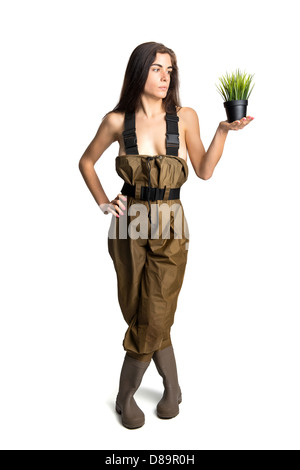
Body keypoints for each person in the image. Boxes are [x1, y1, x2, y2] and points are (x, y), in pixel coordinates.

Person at [78, 41, 254, 429]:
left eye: (169, 70)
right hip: (128, 224)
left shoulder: (185, 116)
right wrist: (105, 202)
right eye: (157, 68)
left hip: (170, 223)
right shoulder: (115, 121)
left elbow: (205, 169)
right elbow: (86, 162)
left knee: (156, 311)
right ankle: (172, 389)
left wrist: (223, 131)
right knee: (139, 311)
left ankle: (124, 397)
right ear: (139, 71)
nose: (165, 77)